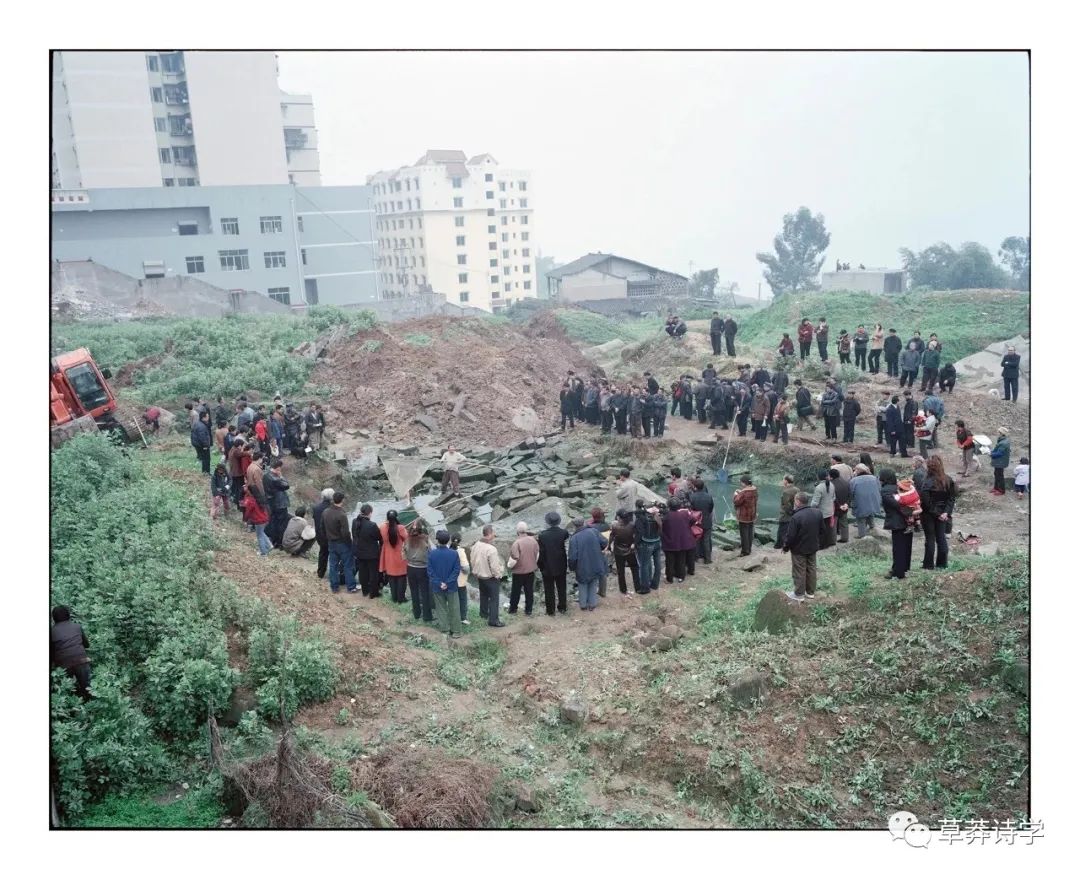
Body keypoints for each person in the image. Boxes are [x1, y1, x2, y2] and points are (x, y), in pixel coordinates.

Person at [781, 493, 827, 601]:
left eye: (795, 501)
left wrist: (785, 547)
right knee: (811, 568)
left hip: (799, 549)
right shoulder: (818, 513)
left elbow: (790, 536)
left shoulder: (796, 517)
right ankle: (810, 592)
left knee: (799, 570)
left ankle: (799, 594)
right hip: (813, 546)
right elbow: (823, 530)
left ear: (798, 501)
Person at [918, 455, 955, 570]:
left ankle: (928, 565)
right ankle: (942, 564)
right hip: (942, 514)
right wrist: (946, 513)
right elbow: (951, 498)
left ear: (929, 467)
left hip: (929, 514)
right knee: (941, 538)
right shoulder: (948, 480)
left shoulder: (925, 482)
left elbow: (926, 502)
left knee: (930, 539)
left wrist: (938, 513)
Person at [427, 530, 463, 638]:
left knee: (441, 608)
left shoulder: (432, 554)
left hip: (437, 587)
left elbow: (430, 571)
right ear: (448, 541)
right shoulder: (454, 553)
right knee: (454, 608)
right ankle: (456, 631)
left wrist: (439, 583)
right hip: (451, 586)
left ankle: (445, 629)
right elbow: (456, 570)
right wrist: (447, 583)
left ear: (437, 540)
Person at [51, 606, 92, 700]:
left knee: (67, 691)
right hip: (81, 660)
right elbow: (87, 645)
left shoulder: (51, 631)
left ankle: (73, 709)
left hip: (63, 664)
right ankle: (92, 706)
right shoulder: (77, 626)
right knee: (88, 688)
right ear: (69, 615)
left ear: (54, 618)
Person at [568, 517, 608, 612]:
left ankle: (583, 605)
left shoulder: (574, 538)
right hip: (596, 561)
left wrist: (572, 567)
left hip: (582, 565)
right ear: (584, 523)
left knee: (582, 583)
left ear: (574, 526)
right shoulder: (593, 531)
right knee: (593, 582)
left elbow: (573, 556)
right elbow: (604, 542)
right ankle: (592, 604)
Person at [880, 469, 913, 579]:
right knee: (906, 546)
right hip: (909, 520)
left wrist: (907, 512)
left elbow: (897, 505)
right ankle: (904, 568)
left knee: (898, 548)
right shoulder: (900, 487)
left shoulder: (885, 490)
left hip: (897, 522)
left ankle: (898, 572)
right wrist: (911, 514)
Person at [471, 525, 506, 627]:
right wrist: (498, 575)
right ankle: (493, 620)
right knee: (494, 599)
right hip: (490, 578)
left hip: (480, 576)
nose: (494, 535)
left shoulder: (476, 545)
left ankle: (483, 614)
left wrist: (475, 572)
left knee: (484, 596)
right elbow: (494, 566)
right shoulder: (491, 549)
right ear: (490, 534)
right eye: (493, 533)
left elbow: (472, 559)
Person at [537, 511, 571, 615]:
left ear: (548, 522)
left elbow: (541, 553)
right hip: (561, 564)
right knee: (562, 587)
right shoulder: (564, 533)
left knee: (549, 589)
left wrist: (540, 565)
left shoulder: (542, 536)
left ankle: (550, 610)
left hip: (547, 566)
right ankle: (562, 607)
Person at [323, 491, 357, 593]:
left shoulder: (326, 512)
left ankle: (334, 586)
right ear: (342, 500)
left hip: (331, 542)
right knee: (348, 565)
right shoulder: (342, 514)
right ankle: (350, 587)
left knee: (333, 565)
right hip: (342, 543)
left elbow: (322, 527)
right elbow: (345, 532)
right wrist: (349, 543)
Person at [405, 520, 434, 622]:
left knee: (414, 591)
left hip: (410, 568)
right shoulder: (425, 539)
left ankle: (416, 613)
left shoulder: (407, 540)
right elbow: (431, 552)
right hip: (422, 568)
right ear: (421, 529)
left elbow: (403, 555)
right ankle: (427, 616)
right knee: (424, 592)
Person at [351, 503, 383, 598]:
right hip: (371, 554)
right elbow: (378, 537)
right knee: (373, 573)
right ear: (369, 513)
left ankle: (365, 591)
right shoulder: (372, 525)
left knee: (362, 572)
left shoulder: (354, 522)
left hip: (359, 552)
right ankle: (374, 593)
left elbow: (354, 535)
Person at [508, 522, 540, 615]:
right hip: (530, 570)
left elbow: (514, 559)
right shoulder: (533, 540)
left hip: (518, 572)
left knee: (515, 592)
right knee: (529, 591)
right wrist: (533, 563)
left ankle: (513, 610)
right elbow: (537, 554)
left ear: (517, 531)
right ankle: (528, 610)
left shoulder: (516, 543)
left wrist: (509, 566)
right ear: (526, 530)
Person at [608, 509, 642, 595]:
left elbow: (611, 537)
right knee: (635, 568)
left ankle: (623, 589)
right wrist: (634, 543)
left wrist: (608, 546)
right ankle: (637, 587)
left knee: (621, 571)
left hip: (618, 551)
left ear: (618, 517)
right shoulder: (632, 525)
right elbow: (637, 535)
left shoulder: (614, 526)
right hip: (630, 550)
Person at [661, 502, 696, 582]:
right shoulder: (684, 514)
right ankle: (681, 577)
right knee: (681, 559)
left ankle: (669, 578)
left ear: (669, 506)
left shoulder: (666, 516)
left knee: (669, 561)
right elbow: (693, 520)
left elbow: (660, 527)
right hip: (682, 541)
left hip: (670, 541)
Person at [379, 510, 409, 604]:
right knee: (402, 577)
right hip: (399, 556)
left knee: (391, 577)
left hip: (388, 555)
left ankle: (394, 597)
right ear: (396, 517)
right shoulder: (400, 528)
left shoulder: (383, 527)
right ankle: (401, 598)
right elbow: (407, 538)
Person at [634, 502, 663, 592]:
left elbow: (640, 533)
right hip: (657, 542)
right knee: (657, 564)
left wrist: (636, 543)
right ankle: (655, 584)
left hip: (646, 544)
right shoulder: (658, 518)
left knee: (644, 565)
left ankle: (645, 587)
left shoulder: (642, 519)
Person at [263, 460, 291, 549]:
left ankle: (272, 539)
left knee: (273, 521)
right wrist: (281, 476)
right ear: (278, 468)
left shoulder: (266, 475)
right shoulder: (276, 479)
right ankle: (279, 542)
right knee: (281, 524)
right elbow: (287, 485)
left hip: (272, 503)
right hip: (280, 504)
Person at [850, 464, 883, 537]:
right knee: (870, 514)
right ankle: (873, 529)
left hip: (860, 502)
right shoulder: (874, 478)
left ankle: (862, 536)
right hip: (873, 501)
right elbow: (879, 489)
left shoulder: (854, 480)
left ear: (858, 471)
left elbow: (851, 492)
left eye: (855, 470)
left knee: (861, 520)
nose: (854, 471)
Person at [688, 478, 715, 563]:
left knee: (696, 539)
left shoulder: (692, 496)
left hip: (697, 521)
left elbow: (690, 510)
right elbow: (711, 508)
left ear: (695, 487)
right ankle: (707, 559)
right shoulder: (709, 496)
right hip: (707, 520)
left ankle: (696, 557)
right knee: (706, 540)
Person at [587, 507, 611, 598]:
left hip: (593, 552)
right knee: (603, 572)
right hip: (604, 551)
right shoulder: (606, 526)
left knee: (592, 571)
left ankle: (591, 591)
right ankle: (602, 591)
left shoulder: (591, 528)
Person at [732, 474, 758, 557]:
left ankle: (745, 551)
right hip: (752, 515)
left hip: (744, 516)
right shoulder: (754, 489)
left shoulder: (743, 492)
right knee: (750, 532)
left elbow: (736, 501)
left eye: (741, 482)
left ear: (744, 483)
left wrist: (736, 494)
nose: (740, 484)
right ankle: (749, 548)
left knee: (744, 534)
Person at [810, 469, 836, 549]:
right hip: (830, 511)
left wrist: (810, 508)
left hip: (821, 512)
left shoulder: (819, 487)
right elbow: (834, 498)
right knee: (828, 528)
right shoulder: (832, 485)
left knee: (820, 530)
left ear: (818, 477)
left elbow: (815, 503)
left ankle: (821, 545)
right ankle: (827, 544)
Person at [312, 488, 334, 579]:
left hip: (319, 534)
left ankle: (320, 572)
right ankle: (333, 574)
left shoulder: (316, 508)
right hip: (330, 535)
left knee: (323, 553)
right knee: (333, 555)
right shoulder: (332, 509)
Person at [451, 533, 470, 626]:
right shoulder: (460, 552)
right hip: (460, 581)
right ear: (460, 540)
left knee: (453, 600)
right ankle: (463, 618)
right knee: (462, 599)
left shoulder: (449, 550)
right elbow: (466, 568)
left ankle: (453, 617)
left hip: (451, 580)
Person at [775, 475, 798, 549]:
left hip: (786, 515)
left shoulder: (786, 491)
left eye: (783, 479)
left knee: (782, 530)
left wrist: (791, 512)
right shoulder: (797, 489)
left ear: (786, 481)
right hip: (796, 512)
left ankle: (780, 545)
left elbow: (786, 505)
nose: (782, 481)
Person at [830, 467, 851, 543]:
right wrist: (846, 504)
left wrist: (839, 506)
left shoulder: (831, 485)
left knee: (833, 524)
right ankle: (845, 538)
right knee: (844, 523)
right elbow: (850, 494)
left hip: (835, 507)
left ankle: (832, 540)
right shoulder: (846, 482)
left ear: (831, 476)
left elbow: (833, 497)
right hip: (845, 506)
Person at [989, 428, 1011, 495]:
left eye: (998, 432)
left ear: (1001, 433)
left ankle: (1001, 490)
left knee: (1000, 476)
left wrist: (990, 454)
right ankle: (996, 488)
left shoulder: (1003, 443)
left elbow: (999, 453)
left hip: (1000, 462)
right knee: (996, 474)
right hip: (999, 461)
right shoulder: (1003, 440)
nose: (997, 433)